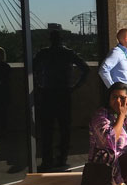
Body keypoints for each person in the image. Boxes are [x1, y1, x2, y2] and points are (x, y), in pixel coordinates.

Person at [33, 29, 89, 170]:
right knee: (64, 128)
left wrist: (38, 84)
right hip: (62, 93)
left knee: (48, 129)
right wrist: (75, 86)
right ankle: (62, 158)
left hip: (49, 92)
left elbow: (32, 69)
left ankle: (48, 159)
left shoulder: (44, 53)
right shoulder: (67, 53)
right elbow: (85, 69)